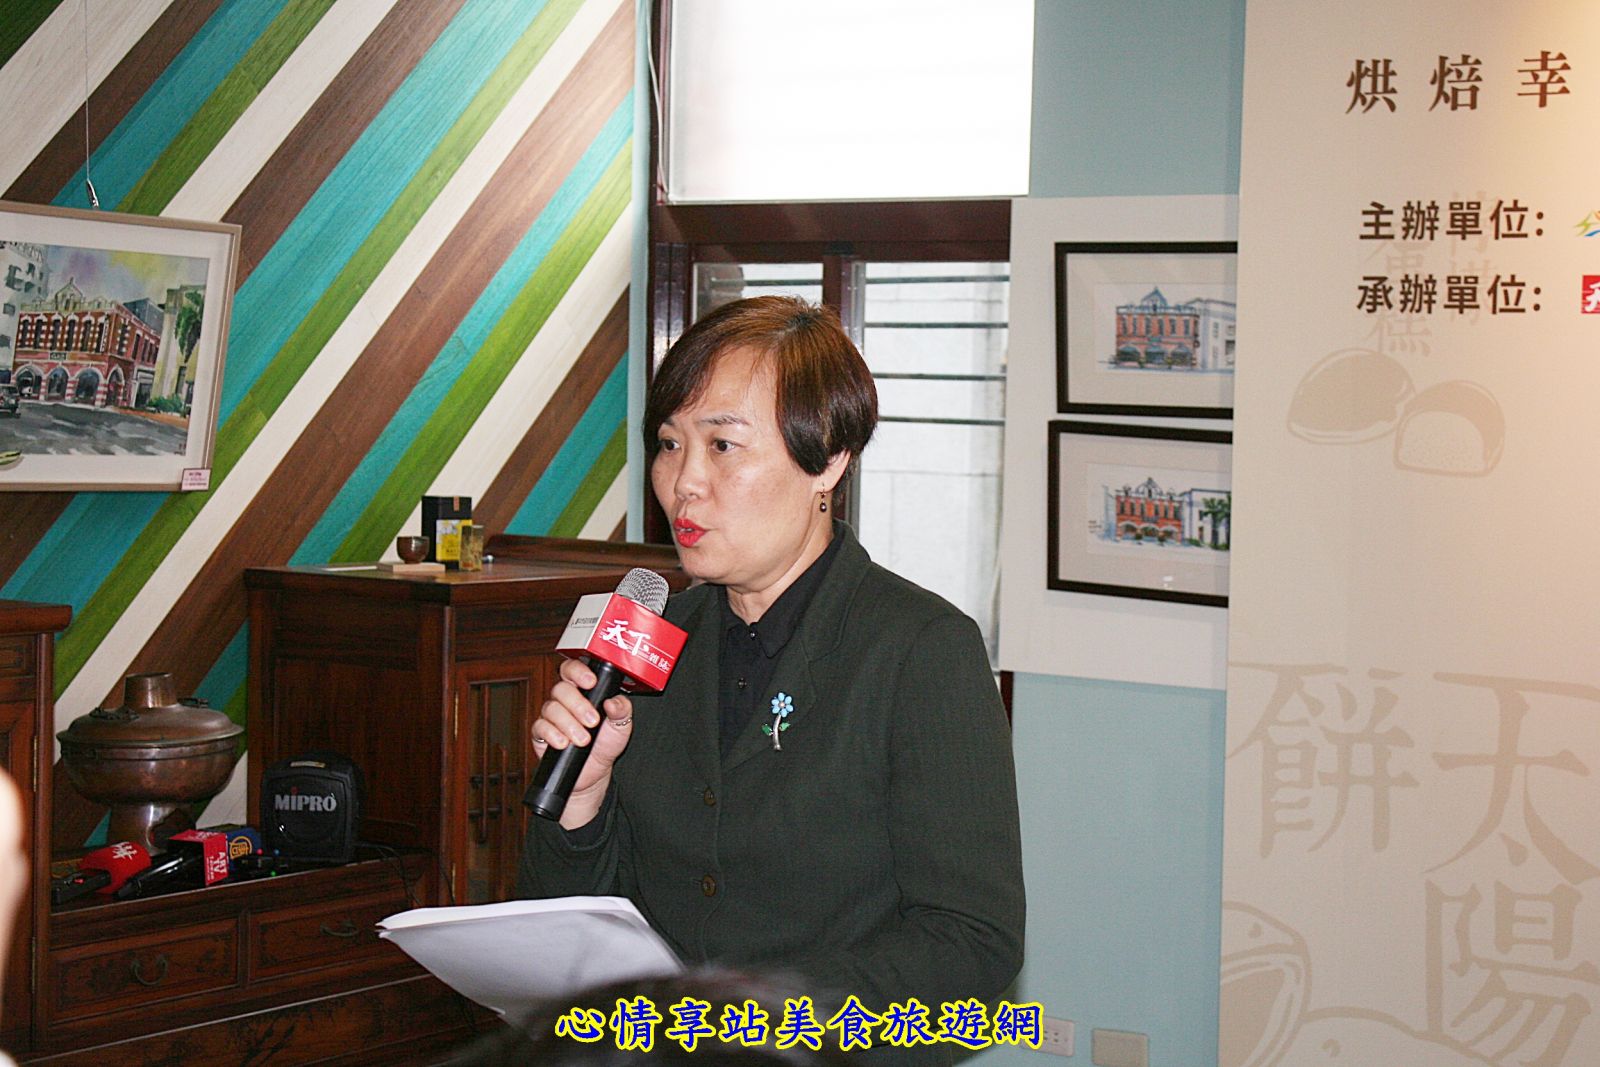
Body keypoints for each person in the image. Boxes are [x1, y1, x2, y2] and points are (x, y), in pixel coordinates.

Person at [517, 296, 1024, 1065]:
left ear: (828, 459)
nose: (684, 482)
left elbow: (971, 947)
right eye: (669, 443)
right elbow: (570, 933)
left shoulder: (920, 650)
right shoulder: (655, 639)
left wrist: (750, 1020)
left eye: (723, 444)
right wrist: (581, 806)